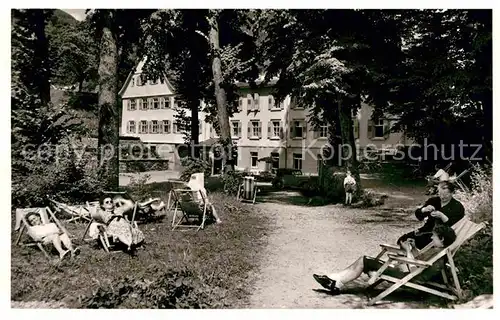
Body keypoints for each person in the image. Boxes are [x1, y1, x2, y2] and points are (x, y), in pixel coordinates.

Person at [313, 224, 457, 295]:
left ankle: (335, 282)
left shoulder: (437, 253)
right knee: (364, 260)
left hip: (408, 276)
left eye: (434, 236)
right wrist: (412, 249)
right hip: (409, 272)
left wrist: (407, 251)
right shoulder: (437, 251)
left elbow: (414, 268)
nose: (431, 238)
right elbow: (418, 260)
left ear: (442, 239)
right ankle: (334, 280)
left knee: (365, 260)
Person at [397, 181, 464, 249]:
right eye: (440, 194)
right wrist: (424, 210)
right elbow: (419, 216)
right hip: (426, 231)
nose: (442, 197)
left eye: (446, 194)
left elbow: (454, 228)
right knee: (403, 240)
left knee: (416, 243)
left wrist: (442, 216)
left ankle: (413, 255)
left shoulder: (457, 207)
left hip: (440, 237)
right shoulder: (434, 201)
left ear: (452, 193)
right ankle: (410, 254)